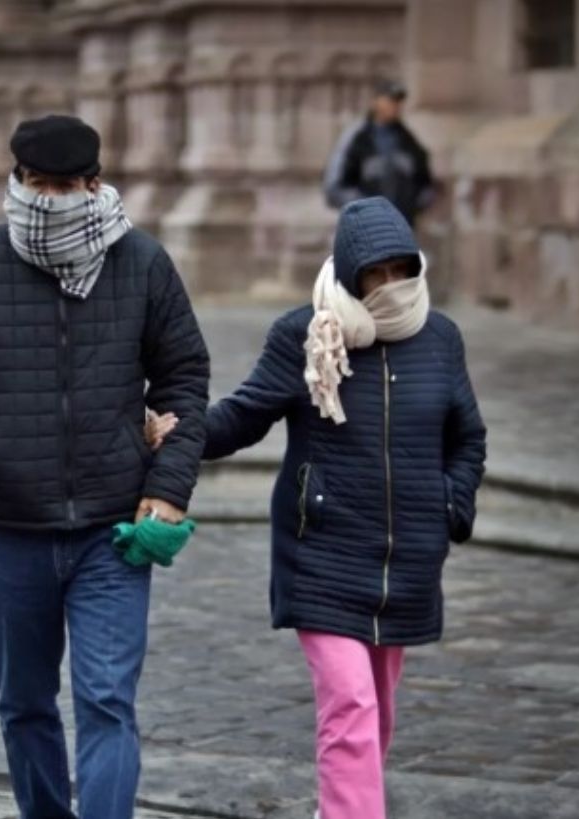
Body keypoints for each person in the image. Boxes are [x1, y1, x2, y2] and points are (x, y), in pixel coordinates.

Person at [0, 114, 210, 819]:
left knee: (107, 699)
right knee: (25, 703)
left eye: (66, 186)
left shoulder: (143, 264)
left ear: (93, 186)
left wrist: (169, 485)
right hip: (11, 527)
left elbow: (184, 378)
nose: (51, 200)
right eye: (38, 184)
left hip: (113, 530)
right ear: (16, 181)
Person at [148, 196, 486, 819]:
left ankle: (343, 805)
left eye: (401, 270)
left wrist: (449, 506)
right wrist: (178, 433)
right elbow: (244, 416)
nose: (390, 285)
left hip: (407, 561)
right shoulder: (305, 334)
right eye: (376, 273)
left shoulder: (439, 339)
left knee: (376, 712)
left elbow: (467, 438)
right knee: (351, 704)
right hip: (323, 553)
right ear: (352, 272)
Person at [323, 79, 435, 227]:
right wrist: (366, 209)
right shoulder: (356, 139)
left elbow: (425, 184)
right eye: (390, 99)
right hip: (366, 230)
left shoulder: (408, 141)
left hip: (401, 229)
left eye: (398, 101)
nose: (395, 105)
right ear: (376, 101)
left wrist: (413, 206)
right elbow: (334, 188)